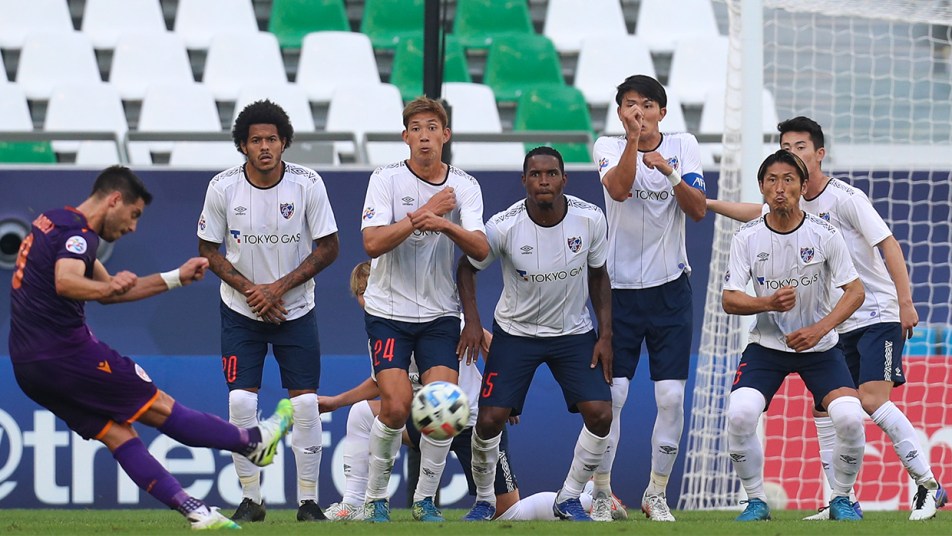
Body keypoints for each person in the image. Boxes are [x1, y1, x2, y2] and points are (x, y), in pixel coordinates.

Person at [8, 166, 293, 530]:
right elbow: (67, 283)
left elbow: (110, 288)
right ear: (115, 200)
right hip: (66, 354)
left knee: (118, 434)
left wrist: (176, 278)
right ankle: (253, 442)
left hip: (28, 367)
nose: (132, 227)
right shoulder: (77, 234)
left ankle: (196, 511)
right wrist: (107, 289)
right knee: (158, 406)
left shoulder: (53, 222)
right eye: (134, 214)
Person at [707, 116, 947, 521]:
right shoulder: (788, 202)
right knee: (825, 410)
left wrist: (905, 301)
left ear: (817, 155)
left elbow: (888, 243)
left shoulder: (845, 198)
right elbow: (756, 212)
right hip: (834, 323)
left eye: (799, 148)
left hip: (873, 311)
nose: (791, 155)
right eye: (785, 147)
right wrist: (707, 204)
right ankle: (839, 499)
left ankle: (928, 485)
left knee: (868, 401)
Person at [197, 99, 340, 523]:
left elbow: (329, 246)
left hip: (295, 308)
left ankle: (309, 502)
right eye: (256, 140)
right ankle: (251, 500)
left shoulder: (307, 183)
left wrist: (277, 288)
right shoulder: (222, 187)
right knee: (241, 400)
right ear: (242, 145)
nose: (265, 147)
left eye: (272, 139)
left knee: (306, 405)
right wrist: (250, 289)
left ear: (284, 143)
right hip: (241, 310)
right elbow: (207, 250)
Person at [457, 146, 614, 522]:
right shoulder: (504, 226)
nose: (544, 181)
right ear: (524, 180)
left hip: (573, 332)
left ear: (564, 179)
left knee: (601, 414)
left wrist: (605, 334)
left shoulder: (590, 218)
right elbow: (466, 267)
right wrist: (473, 322)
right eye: (536, 175)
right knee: (489, 418)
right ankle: (484, 501)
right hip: (516, 332)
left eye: (551, 174)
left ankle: (570, 496)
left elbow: (598, 276)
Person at [359, 96, 490, 522]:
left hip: (439, 313)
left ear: (445, 135)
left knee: (443, 407)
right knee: (395, 406)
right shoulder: (385, 179)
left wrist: (446, 222)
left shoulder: (465, 186)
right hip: (388, 310)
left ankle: (423, 500)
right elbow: (372, 243)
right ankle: (375, 497)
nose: (424, 136)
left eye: (432, 127)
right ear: (405, 137)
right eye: (415, 128)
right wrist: (423, 215)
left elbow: (482, 251)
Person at [723, 150, 868, 522]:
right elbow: (729, 299)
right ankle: (755, 501)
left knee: (850, 418)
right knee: (739, 415)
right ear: (761, 187)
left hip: (820, 347)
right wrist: (766, 302)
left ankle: (841, 499)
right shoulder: (746, 237)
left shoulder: (825, 234)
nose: (780, 188)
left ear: (804, 186)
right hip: (767, 347)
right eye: (772, 180)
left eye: (789, 179)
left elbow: (855, 291)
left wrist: (820, 329)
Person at [589, 74, 708, 522]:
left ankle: (656, 493)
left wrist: (669, 169)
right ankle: (602, 492)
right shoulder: (606, 146)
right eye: (628, 105)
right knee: (613, 398)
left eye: (645, 105)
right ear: (620, 113)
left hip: (670, 291)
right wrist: (635, 146)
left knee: (672, 399)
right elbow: (619, 189)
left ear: (661, 111)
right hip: (617, 292)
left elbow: (697, 210)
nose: (636, 112)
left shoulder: (685, 145)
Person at [317, 261, 520, 521]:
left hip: (470, 420)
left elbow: (491, 346)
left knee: (507, 511)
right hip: (422, 419)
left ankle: (573, 499)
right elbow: (382, 383)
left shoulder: (441, 321)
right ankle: (355, 502)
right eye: (361, 292)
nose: (367, 298)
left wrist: (503, 397)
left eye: (372, 288)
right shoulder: (381, 333)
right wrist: (337, 402)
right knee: (361, 414)